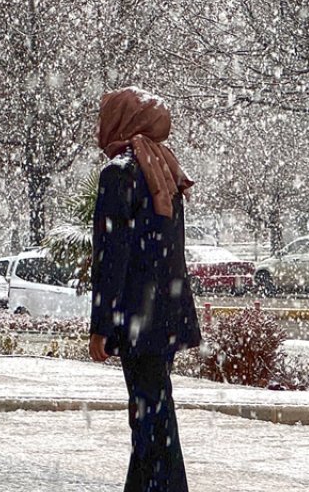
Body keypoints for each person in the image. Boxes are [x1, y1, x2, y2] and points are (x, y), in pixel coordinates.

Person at [88, 87, 201, 492]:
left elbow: (112, 256)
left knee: (150, 419)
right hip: (166, 315)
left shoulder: (119, 173)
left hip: (137, 317)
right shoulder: (164, 168)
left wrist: (101, 325)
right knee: (153, 413)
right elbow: (170, 253)